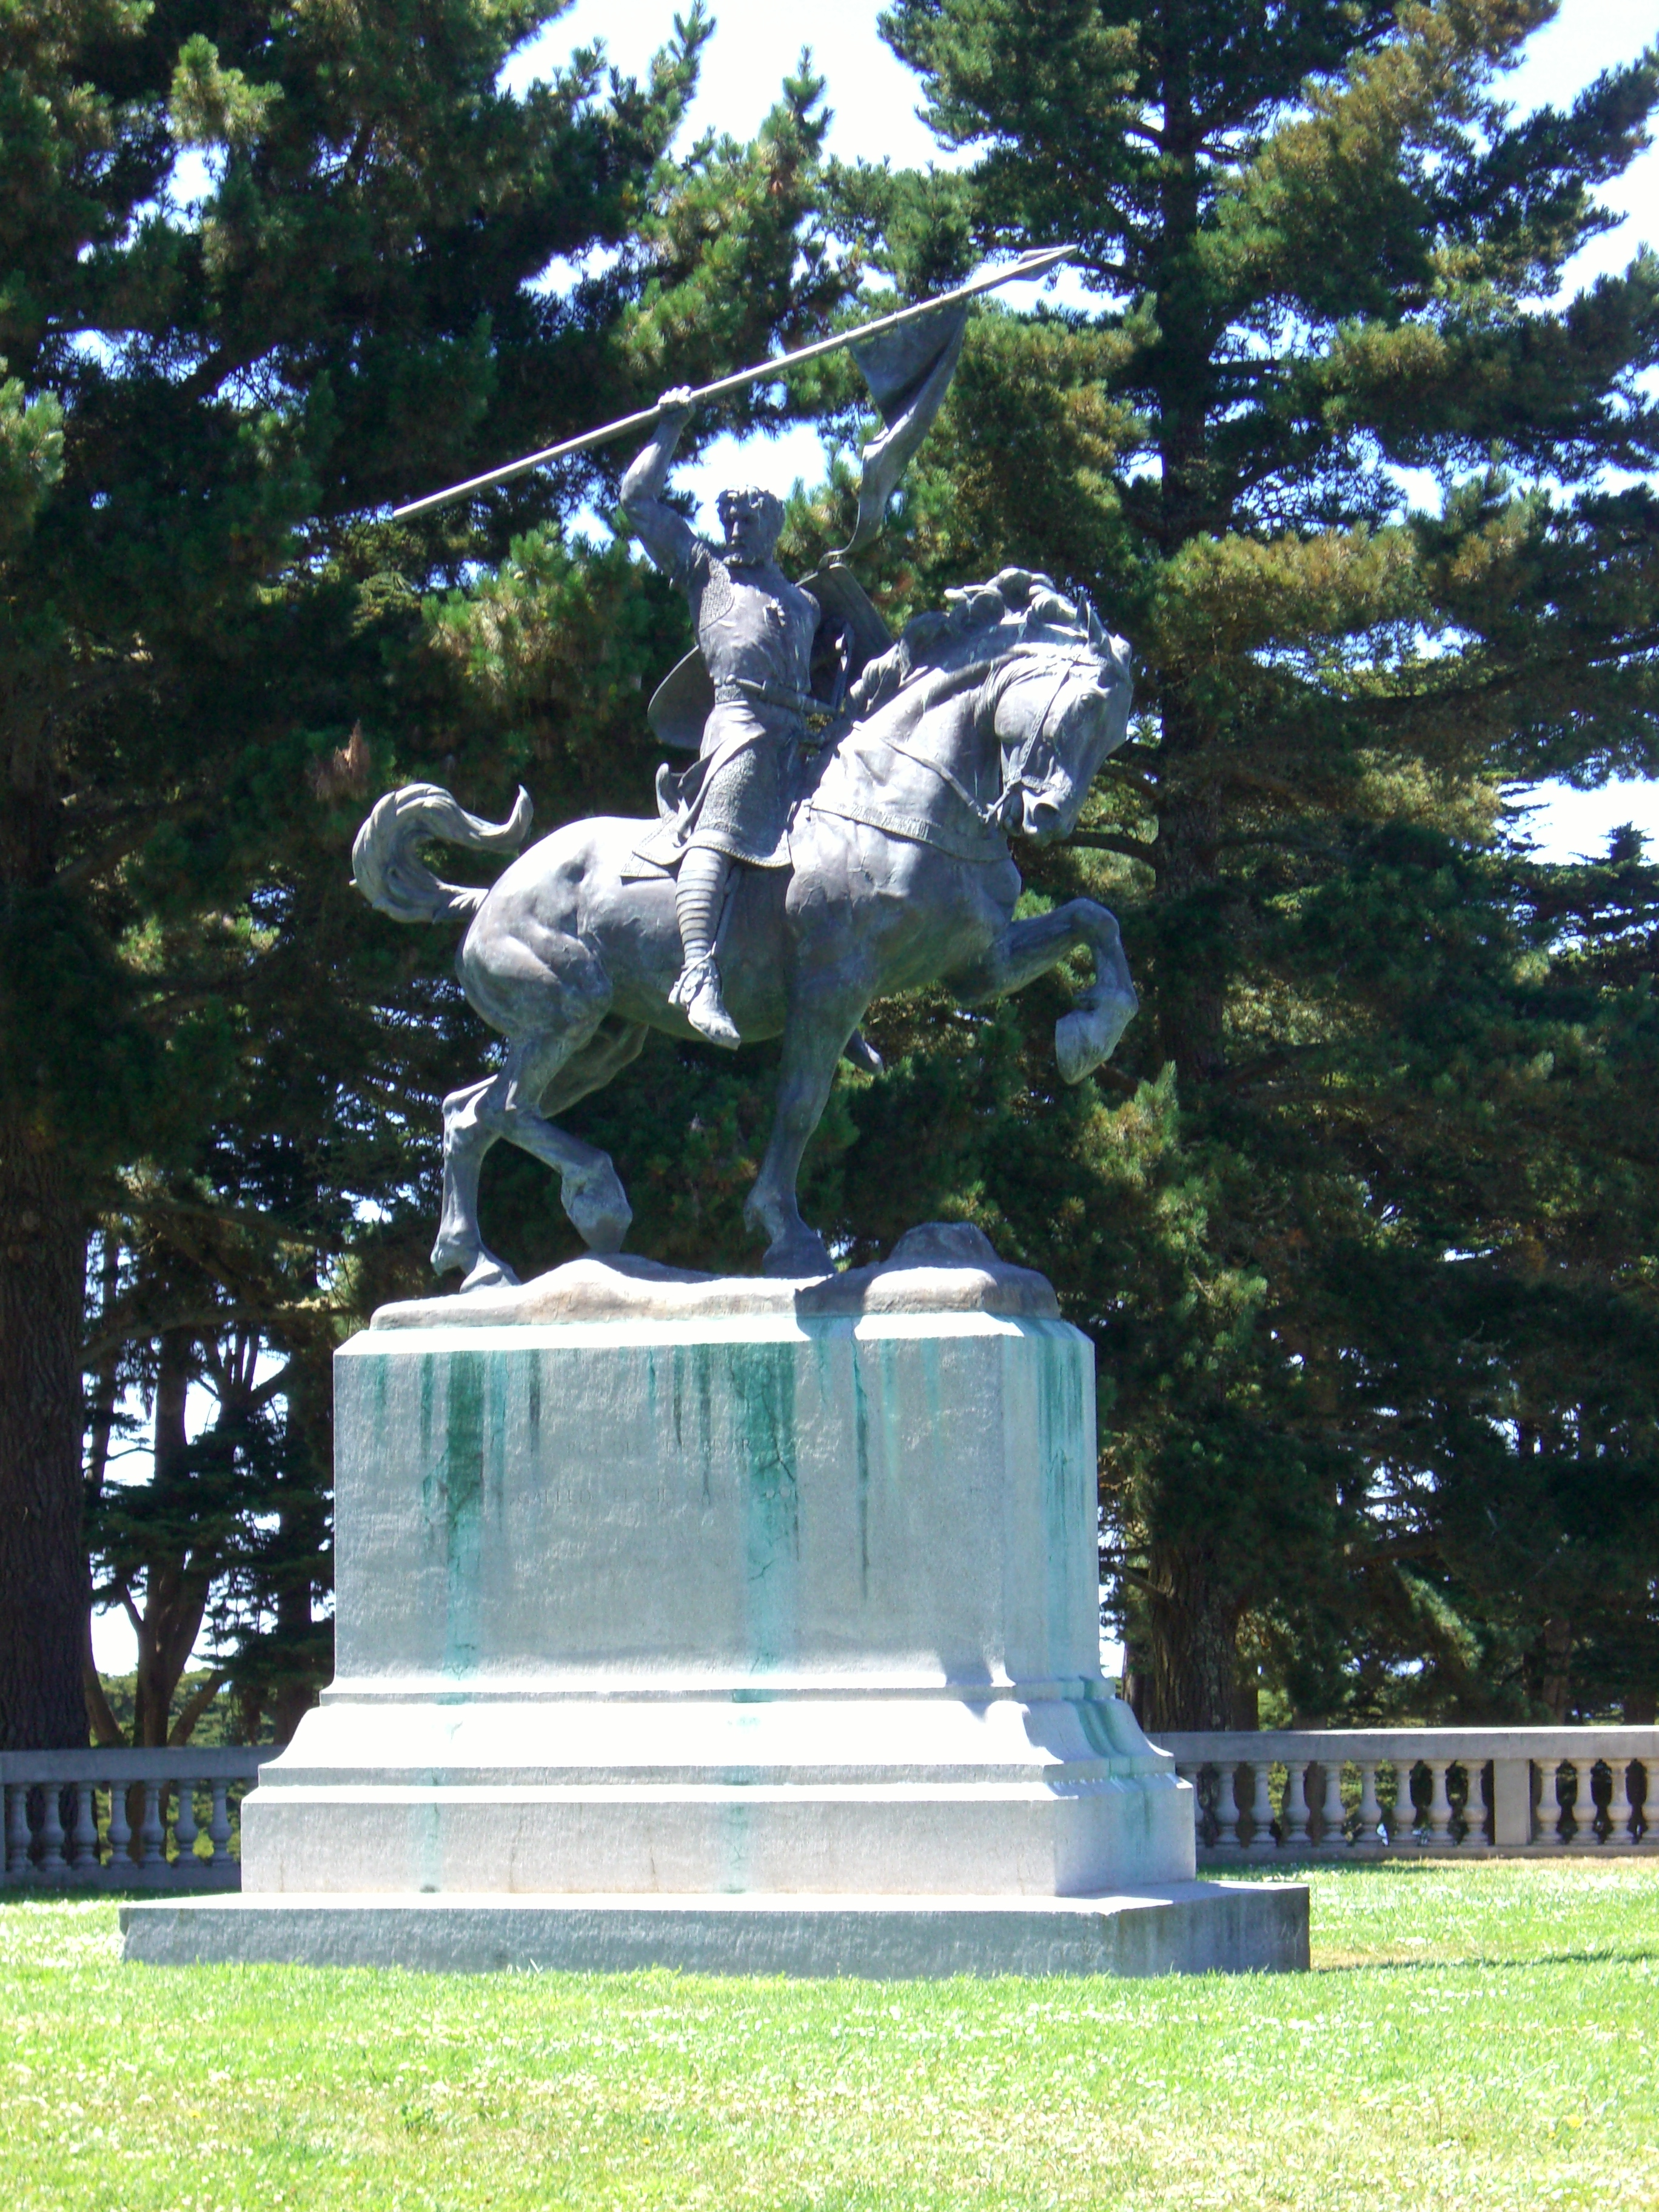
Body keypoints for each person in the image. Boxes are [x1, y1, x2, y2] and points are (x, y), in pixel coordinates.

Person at [619, 387, 820, 1047]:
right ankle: (698, 974)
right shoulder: (706, 574)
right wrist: (669, 428)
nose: (734, 530)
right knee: (727, 812)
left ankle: (831, 987)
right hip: (739, 729)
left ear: (774, 525)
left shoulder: (806, 605)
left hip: (800, 738)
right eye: (728, 518)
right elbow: (636, 501)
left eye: (748, 519)